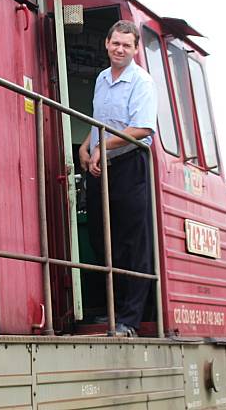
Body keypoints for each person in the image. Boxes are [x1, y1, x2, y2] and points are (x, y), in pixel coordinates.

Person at [78, 20, 157, 337]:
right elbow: (100, 120)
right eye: (115, 43)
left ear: (136, 49)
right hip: (102, 166)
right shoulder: (101, 79)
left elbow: (141, 129)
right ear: (106, 44)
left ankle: (130, 320)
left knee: (131, 243)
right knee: (101, 237)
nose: (120, 49)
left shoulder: (143, 82)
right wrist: (86, 146)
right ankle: (112, 311)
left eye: (127, 45)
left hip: (128, 164)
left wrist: (102, 146)